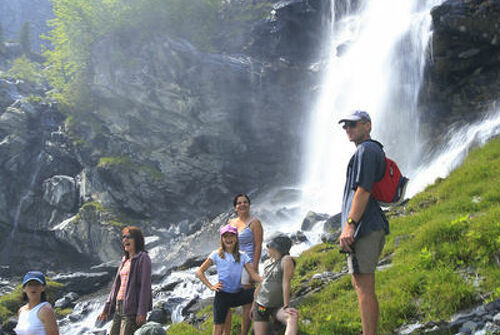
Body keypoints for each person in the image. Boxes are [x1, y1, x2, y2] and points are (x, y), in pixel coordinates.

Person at [338, 110, 388, 335]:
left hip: (364, 226)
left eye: (353, 124)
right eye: (345, 126)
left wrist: (350, 224)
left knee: (364, 287)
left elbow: (364, 189)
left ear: (367, 125)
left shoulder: (367, 150)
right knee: (361, 284)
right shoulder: (368, 150)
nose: (348, 129)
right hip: (368, 225)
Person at [197, 224, 262, 335]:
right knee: (218, 331)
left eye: (231, 236)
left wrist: (265, 279)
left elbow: (253, 275)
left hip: (238, 294)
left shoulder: (243, 256)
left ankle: (268, 324)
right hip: (222, 295)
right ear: (222, 239)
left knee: (259, 292)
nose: (229, 239)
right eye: (225, 236)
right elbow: (200, 271)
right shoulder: (216, 254)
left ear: (236, 238)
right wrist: (211, 286)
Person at [97, 226, 152, 335]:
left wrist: (142, 311)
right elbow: (115, 288)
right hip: (119, 305)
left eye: (129, 237)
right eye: (123, 237)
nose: (125, 240)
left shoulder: (143, 258)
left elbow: (145, 286)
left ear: (137, 240)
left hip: (132, 307)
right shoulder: (124, 260)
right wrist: (106, 309)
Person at [226, 193, 263, 335]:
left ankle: (243, 333)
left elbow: (258, 246)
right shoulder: (231, 222)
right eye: (239, 203)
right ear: (235, 207)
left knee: (247, 302)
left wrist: (254, 268)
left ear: (249, 204)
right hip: (232, 264)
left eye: (245, 202)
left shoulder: (255, 223)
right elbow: (226, 243)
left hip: (247, 265)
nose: (242, 205)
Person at [251, 234, 298, 335]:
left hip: (277, 307)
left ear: (275, 248)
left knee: (292, 316)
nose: (266, 248)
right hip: (261, 306)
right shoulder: (267, 263)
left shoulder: (286, 260)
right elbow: (262, 284)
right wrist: (252, 305)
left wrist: (286, 306)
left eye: (268, 246)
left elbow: (286, 282)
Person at [14, 271, 59, 335]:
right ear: (24, 288)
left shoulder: (46, 310)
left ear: (43, 288)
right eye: (30, 284)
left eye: (37, 284)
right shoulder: (21, 310)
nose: (33, 287)